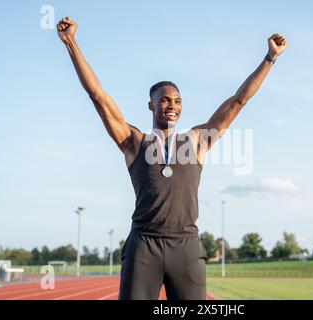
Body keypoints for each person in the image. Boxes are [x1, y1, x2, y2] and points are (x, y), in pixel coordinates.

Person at [56, 16, 287, 300]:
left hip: (186, 246)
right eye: (165, 100)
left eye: (177, 100)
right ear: (150, 104)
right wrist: (71, 42)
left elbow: (238, 101)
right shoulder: (133, 142)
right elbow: (98, 96)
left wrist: (269, 58)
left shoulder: (197, 140)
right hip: (144, 245)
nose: (172, 105)